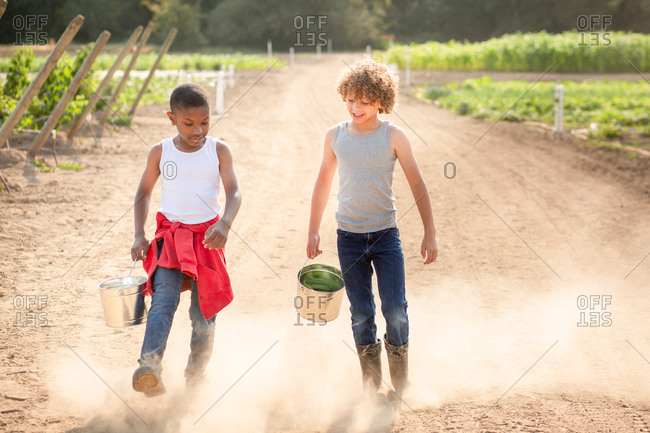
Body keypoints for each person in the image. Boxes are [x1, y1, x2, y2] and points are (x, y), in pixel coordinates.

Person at [306, 59, 437, 402]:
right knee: (361, 311)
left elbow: (417, 183)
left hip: (385, 236)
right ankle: (371, 384)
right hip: (348, 238)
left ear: (381, 100)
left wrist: (429, 232)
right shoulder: (335, 136)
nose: (355, 107)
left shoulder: (394, 136)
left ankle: (402, 383)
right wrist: (313, 230)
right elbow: (322, 182)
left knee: (395, 309)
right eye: (350, 99)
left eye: (363, 101)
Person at [130, 82, 242, 397]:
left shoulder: (219, 149)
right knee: (163, 300)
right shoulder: (160, 151)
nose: (198, 130)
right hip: (171, 237)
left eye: (205, 122)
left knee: (204, 314)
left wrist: (225, 223)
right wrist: (139, 233)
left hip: (208, 239)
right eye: (188, 123)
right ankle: (150, 366)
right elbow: (144, 192)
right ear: (172, 118)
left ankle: (196, 377)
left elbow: (234, 192)